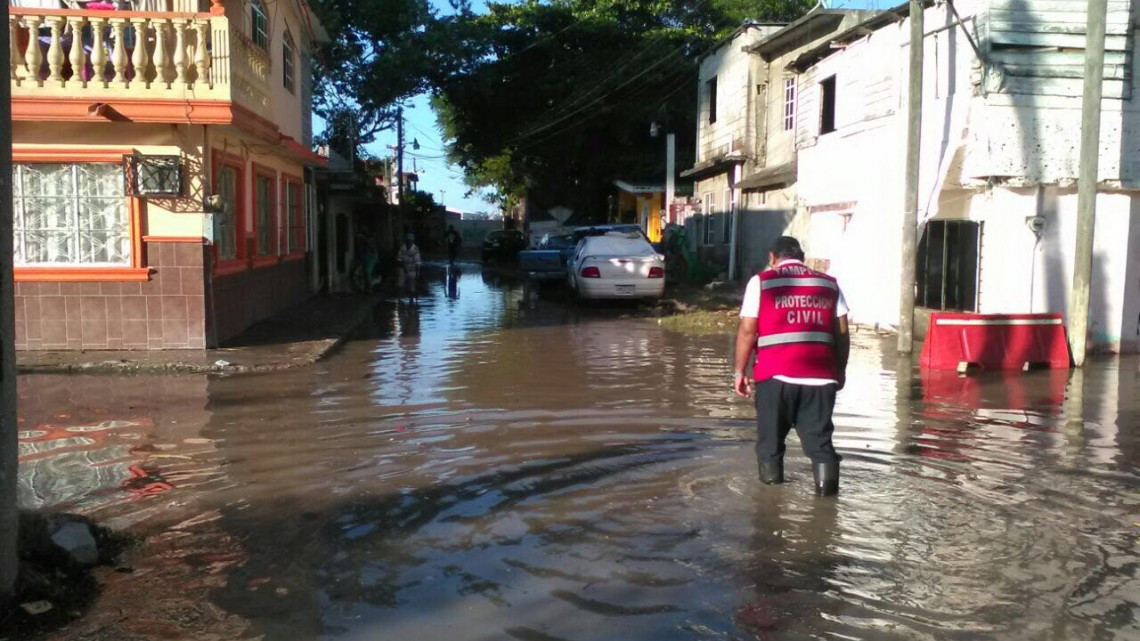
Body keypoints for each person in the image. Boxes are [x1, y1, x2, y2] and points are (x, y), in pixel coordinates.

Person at [733, 236, 849, 496]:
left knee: (770, 445)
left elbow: (748, 331)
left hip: (775, 378)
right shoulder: (828, 284)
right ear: (803, 258)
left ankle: (770, 510)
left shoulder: (762, 282)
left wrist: (739, 372)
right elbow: (842, 333)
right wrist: (839, 371)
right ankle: (827, 504)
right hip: (821, 378)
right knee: (820, 445)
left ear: (772, 257)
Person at [397, 232, 421, 301]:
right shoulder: (402, 248)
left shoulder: (415, 249)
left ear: (412, 241)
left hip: (413, 269)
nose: (409, 242)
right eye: (408, 240)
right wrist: (403, 268)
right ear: (406, 240)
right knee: (400, 284)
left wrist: (417, 274)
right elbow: (399, 259)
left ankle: (411, 300)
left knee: (412, 285)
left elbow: (417, 262)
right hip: (403, 267)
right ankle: (399, 299)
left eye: (410, 240)